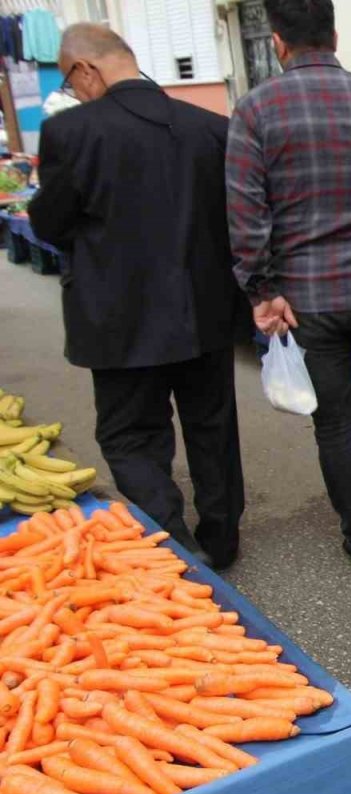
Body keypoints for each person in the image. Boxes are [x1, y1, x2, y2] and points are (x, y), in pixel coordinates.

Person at [29, 24, 245, 569]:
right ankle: (221, 538)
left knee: (129, 435)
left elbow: (50, 222)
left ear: (86, 70)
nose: (74, 92)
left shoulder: (71, 133)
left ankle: (173, 540)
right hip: (205, 310)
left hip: (116, 318)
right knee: (212, 426)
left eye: (71, 81)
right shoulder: (211, 128)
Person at [226, 0, 351, 574]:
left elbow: (246, 214)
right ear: (335, 36)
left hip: (305, 300)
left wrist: (261, 289)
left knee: (334, 419)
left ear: (277, 43)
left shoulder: (255, 110)